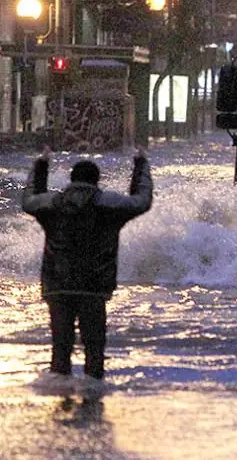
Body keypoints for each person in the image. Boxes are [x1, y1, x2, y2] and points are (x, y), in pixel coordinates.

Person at [22, 146, 153, 383]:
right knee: (94, 349)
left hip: (57, 286)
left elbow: (29, 200)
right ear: (97, 180)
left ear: (72, 179)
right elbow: (141, 201)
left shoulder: (53, 205)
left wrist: (40, 166)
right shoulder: (108, 205)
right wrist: (141, 165)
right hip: (93, 287)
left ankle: (62, 402)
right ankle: (92, 400)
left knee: (60, 348)